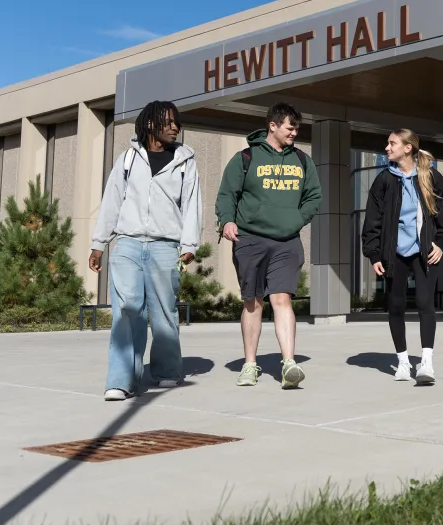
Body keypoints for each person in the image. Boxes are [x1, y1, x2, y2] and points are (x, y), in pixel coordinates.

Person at [89, 100, 201, 401]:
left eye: (177, 122)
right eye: (168, 121)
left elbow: (192, 204)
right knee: (126, 312)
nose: (175, 127)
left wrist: (189, 244)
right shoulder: (128, 159)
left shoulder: (185, 161)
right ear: (150, 123)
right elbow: (112, 201)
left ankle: (166, 371)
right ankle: (121, 380)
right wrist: (99, 243)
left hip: (166, 246)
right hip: (127, 243)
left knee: (164, 312)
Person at [216, 103, 322, 390]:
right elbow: (227, 194)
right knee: (253, 302)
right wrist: (227, 221)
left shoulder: (302, 160)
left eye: (297, 128)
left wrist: (296, 221)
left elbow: (314, 196)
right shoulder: (246, 158)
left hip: (287, 240)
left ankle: (289, 363)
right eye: (290, 127)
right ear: (272, 126)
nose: (294, 132)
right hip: (250, 238)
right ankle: (250, 364)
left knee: (282, 299)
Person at [362, 130, 443, 384]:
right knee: (395, 306)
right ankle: (403, 362)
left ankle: (426, 363)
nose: (386, 147)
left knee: (425, 302)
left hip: (425, 252)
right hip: (394, 253)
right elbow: (372, 220)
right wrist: (374, 254)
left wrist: (441, 243)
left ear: (408, 148)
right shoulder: (384, 180)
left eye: (392, 143)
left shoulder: (431, 177)